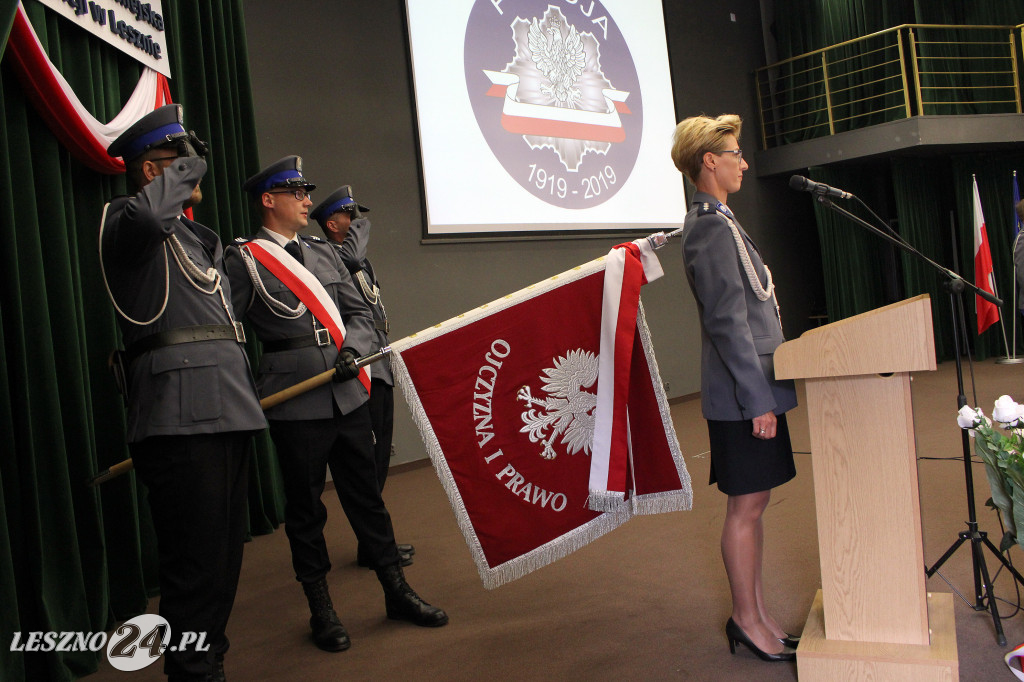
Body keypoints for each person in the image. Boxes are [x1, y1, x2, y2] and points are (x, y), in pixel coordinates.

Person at [224, 157, 447, 654]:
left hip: (346, 390)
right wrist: (244, 392)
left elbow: (358, 312)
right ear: (269, 200)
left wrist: (351, 350)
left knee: (366, 496)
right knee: (306, 510)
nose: (308, 200)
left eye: (307, 192)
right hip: (295, 398)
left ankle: (396, 590)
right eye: (297, 192)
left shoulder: (323, 251)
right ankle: (321, 608)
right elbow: (231, 333)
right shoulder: (244, 260)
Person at [101, 104, 267, 682]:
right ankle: (193, 672)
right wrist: (186, 163)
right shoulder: (124, 222)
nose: (195, 173)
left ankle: (208, 664)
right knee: (192, 567)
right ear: (152, 173)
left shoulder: (199, 241)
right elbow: (149, 222)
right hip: (177, 417)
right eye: (179, 164)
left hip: (227, 406)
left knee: (223, 562)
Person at [671, 114, 798, 663]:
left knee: (756, 503)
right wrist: (758, 400)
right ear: (709, 162)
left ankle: (758, 614)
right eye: (736, 154)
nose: (744, 163)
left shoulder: (721, 221)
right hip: (744, 397)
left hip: (754, 391)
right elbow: (728, 323)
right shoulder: (707, 226)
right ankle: (746, 621)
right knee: (745, 509)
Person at [310, 186, 414, 568]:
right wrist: (360, 224)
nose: (357, 223)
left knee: (381, 454)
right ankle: (375, 546)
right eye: (349, 216)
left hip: (379, 362)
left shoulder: (359, 263)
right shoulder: (334, 256)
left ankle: (374, 543)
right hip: (361, 369)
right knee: (367, 461)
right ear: (333, 224)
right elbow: (353, 251)